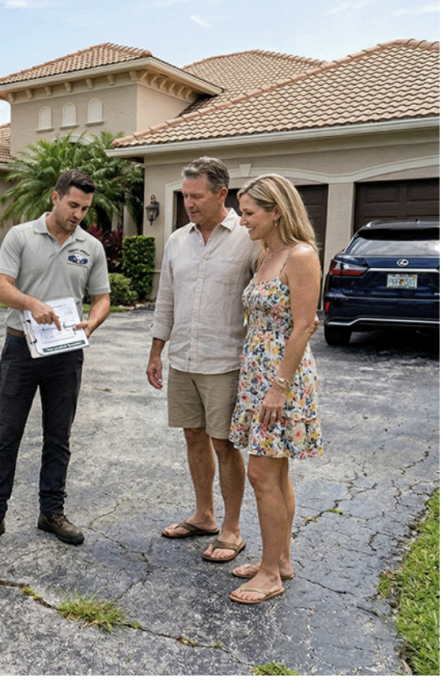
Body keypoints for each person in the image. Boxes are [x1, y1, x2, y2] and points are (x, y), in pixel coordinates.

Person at [0, 169, 111, 552]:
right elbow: (1, 287)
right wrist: (31, 304)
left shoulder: (91, 247)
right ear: (54, 198)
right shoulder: (20, 236)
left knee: (58, 436)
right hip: (21, 349)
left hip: (66, 353)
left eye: (84, 208)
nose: (78, 214)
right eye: (72, 205)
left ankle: (52, 513)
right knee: (6, 435)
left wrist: (93, 323)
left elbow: (102, 298)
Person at [147, 157, 259, 563]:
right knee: (192, 436)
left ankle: (232, 528)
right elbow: (167, 300)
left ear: (221, 194)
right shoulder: (178, 240)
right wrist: (157, 351)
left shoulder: (248, 238)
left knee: (225, 443)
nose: (189, 203)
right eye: (185, 195)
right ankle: (204, 515)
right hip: (184, 359)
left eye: (196, 196)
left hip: (226, 360)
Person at [227, 174, 323, 604]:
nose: (242, 219)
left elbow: (304, 324)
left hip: (282, 380)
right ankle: (280, 559)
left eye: (249, 212)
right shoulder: (267, 253)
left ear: (276, 210)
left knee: (262, 473)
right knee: (276, 472)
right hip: (257, 377)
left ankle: (269, 574)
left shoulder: (300, 256)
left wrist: (278, 388)